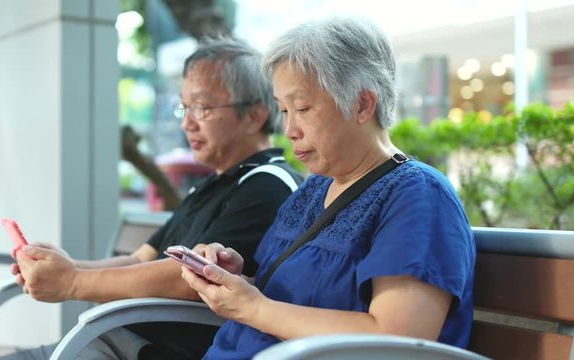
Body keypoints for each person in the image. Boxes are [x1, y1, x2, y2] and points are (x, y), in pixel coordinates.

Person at [180, 17, 476, 359]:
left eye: (303, 108)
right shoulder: (313, 190)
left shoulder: (418, 195)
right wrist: (233, 279)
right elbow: (282, 300)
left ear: (362, 104)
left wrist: (253, 308)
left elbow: (399, 338)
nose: (289, 129)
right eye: (283, 110)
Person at [5, 38, 303, 360]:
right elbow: (139, 260)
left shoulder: (267, 186)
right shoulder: (212, 183)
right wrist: (66, 265)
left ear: (254, 116)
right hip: (116, 339)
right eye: (184, 107)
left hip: (150, 351)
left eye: (201, 107)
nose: (187, 123)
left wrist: (72, 282)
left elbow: (193, 279)